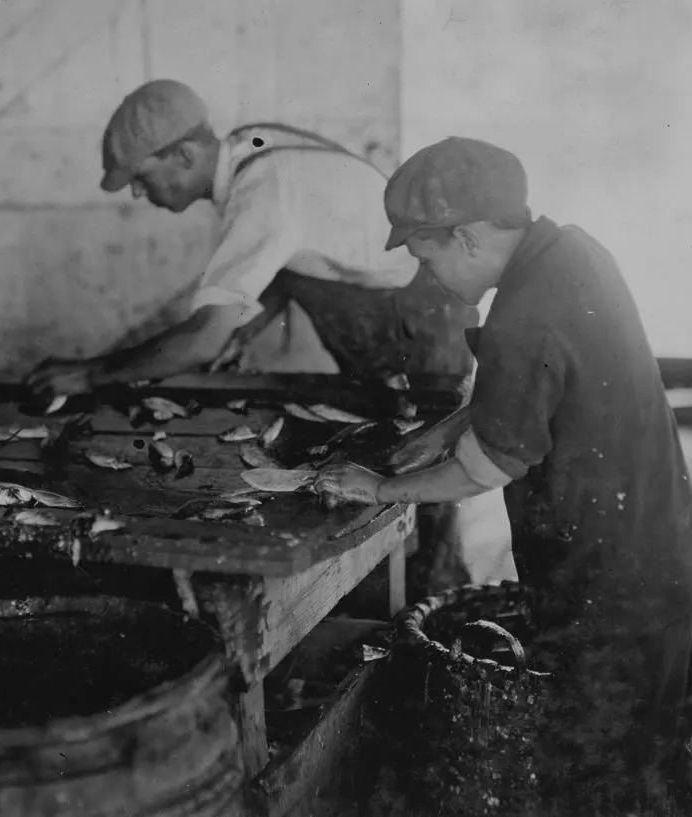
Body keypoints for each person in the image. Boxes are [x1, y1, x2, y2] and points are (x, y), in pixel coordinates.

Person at [313, 136, 692, 815]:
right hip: (661, 556)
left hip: (607, 592)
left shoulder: (524, 314)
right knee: (654, 759)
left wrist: (379, 488)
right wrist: (448, 427)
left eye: (425, 255)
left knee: (593, 779)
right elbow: (550, 383)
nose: (428, 276)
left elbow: (490, 465)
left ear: (465, 237)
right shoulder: (571, 252)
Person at [25, 79, 480, 598]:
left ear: (183, 154)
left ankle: (444, 605)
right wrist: (249, 328)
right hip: (393, 311)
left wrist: (86, 374)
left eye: (139, 176)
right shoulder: (251, 145)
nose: (136, 192)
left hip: (417, 318)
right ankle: (406, 596)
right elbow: (290, 259)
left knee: (428, 474)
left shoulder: (262, 188)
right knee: (388, 464)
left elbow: (200, 341)